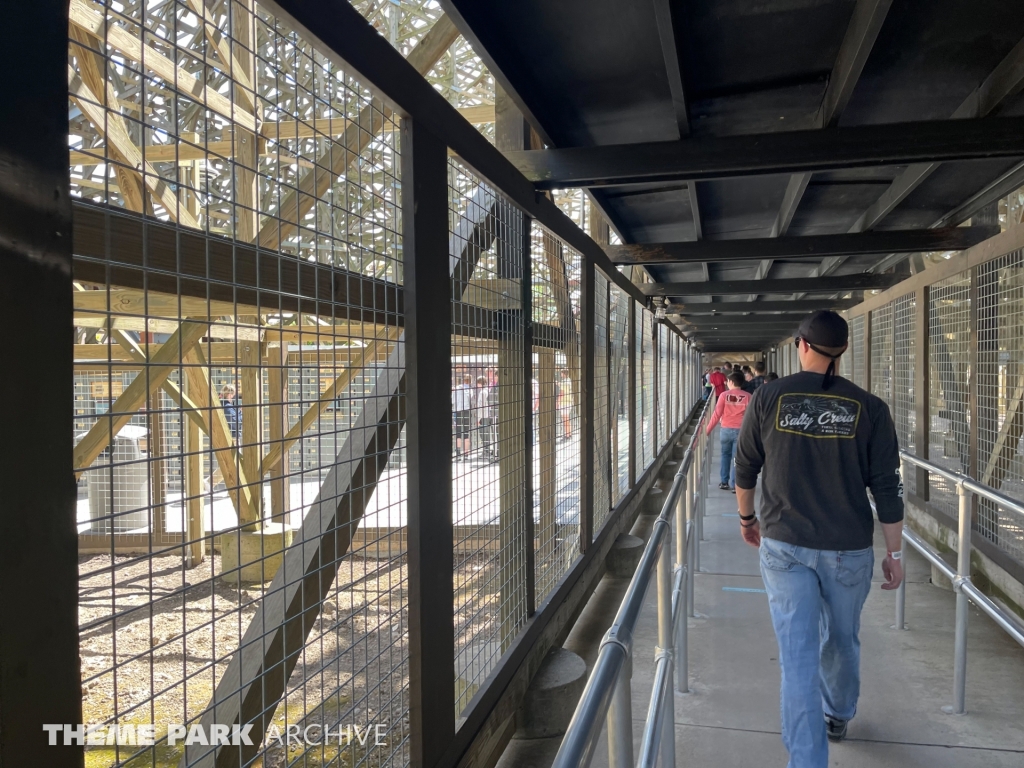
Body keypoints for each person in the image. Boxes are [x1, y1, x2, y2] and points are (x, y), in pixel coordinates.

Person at [734, 310, 904, 768]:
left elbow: (744, 466)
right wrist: (895, 551)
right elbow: (886, 485)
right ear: (844, 351)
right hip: (848, 548)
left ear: (800, 345)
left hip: (784, 546)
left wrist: (747, 518)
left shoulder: (768, 396)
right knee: (843, 637)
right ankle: (840, 712)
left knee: (797, 655)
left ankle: (808, 761)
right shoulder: (871, 408)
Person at [705, 371, 750, 491]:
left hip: (725, 430)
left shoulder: (724, 395)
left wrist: (706, 431)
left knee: (725, 455)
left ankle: (724, 482)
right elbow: (752, 417)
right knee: (738, 459)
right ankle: (736, 484)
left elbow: (716, 415)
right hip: (741, 431)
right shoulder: (748, 396)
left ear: (731, 382)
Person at [452, 374, 474, 460]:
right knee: (466, 432)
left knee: (458, 432)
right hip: (467, 411)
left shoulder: (457, 388)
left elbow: (453, 400)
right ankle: (466, 453)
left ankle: (458, 453)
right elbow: (471, 400)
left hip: (458, 411)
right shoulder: (470, 389)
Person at [558, 369, 574, 440]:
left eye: (561, 373)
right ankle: (569, 433)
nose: (560, 375)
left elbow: (561, 393)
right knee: (567, 419)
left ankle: (567, 435)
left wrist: (557, 402)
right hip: (569, 402)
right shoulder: (569, 381)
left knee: (565, 419)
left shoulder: (564, 382)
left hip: (564, 403)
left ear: (563, 374)